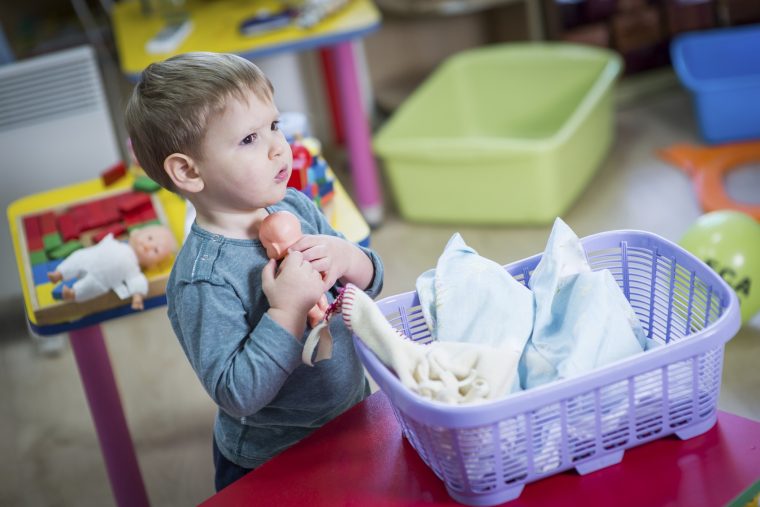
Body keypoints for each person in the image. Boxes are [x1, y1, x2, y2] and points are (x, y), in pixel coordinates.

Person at [124, 52, 384, 491]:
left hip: (351, 411)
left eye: (275, 126)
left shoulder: (296, 206)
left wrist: (349, 259)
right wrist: (286, 309)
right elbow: (236, 393)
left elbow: (367, 289)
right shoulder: (203, 279)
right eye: (249, 139)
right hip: (274, 457)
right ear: (188, 171)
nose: (278, 147)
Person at [47, 224, 177, 310]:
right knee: (77, 257)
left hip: (101, 279)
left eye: (155, 250)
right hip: (90, 258)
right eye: (149, 238)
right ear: (137, 233)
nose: (148, 246)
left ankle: (73, 294)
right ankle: (59, 273)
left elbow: (137, 282)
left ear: (152, 264)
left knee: (91, 287)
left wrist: (137, 296)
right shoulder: (118, 243)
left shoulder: (134, 270)